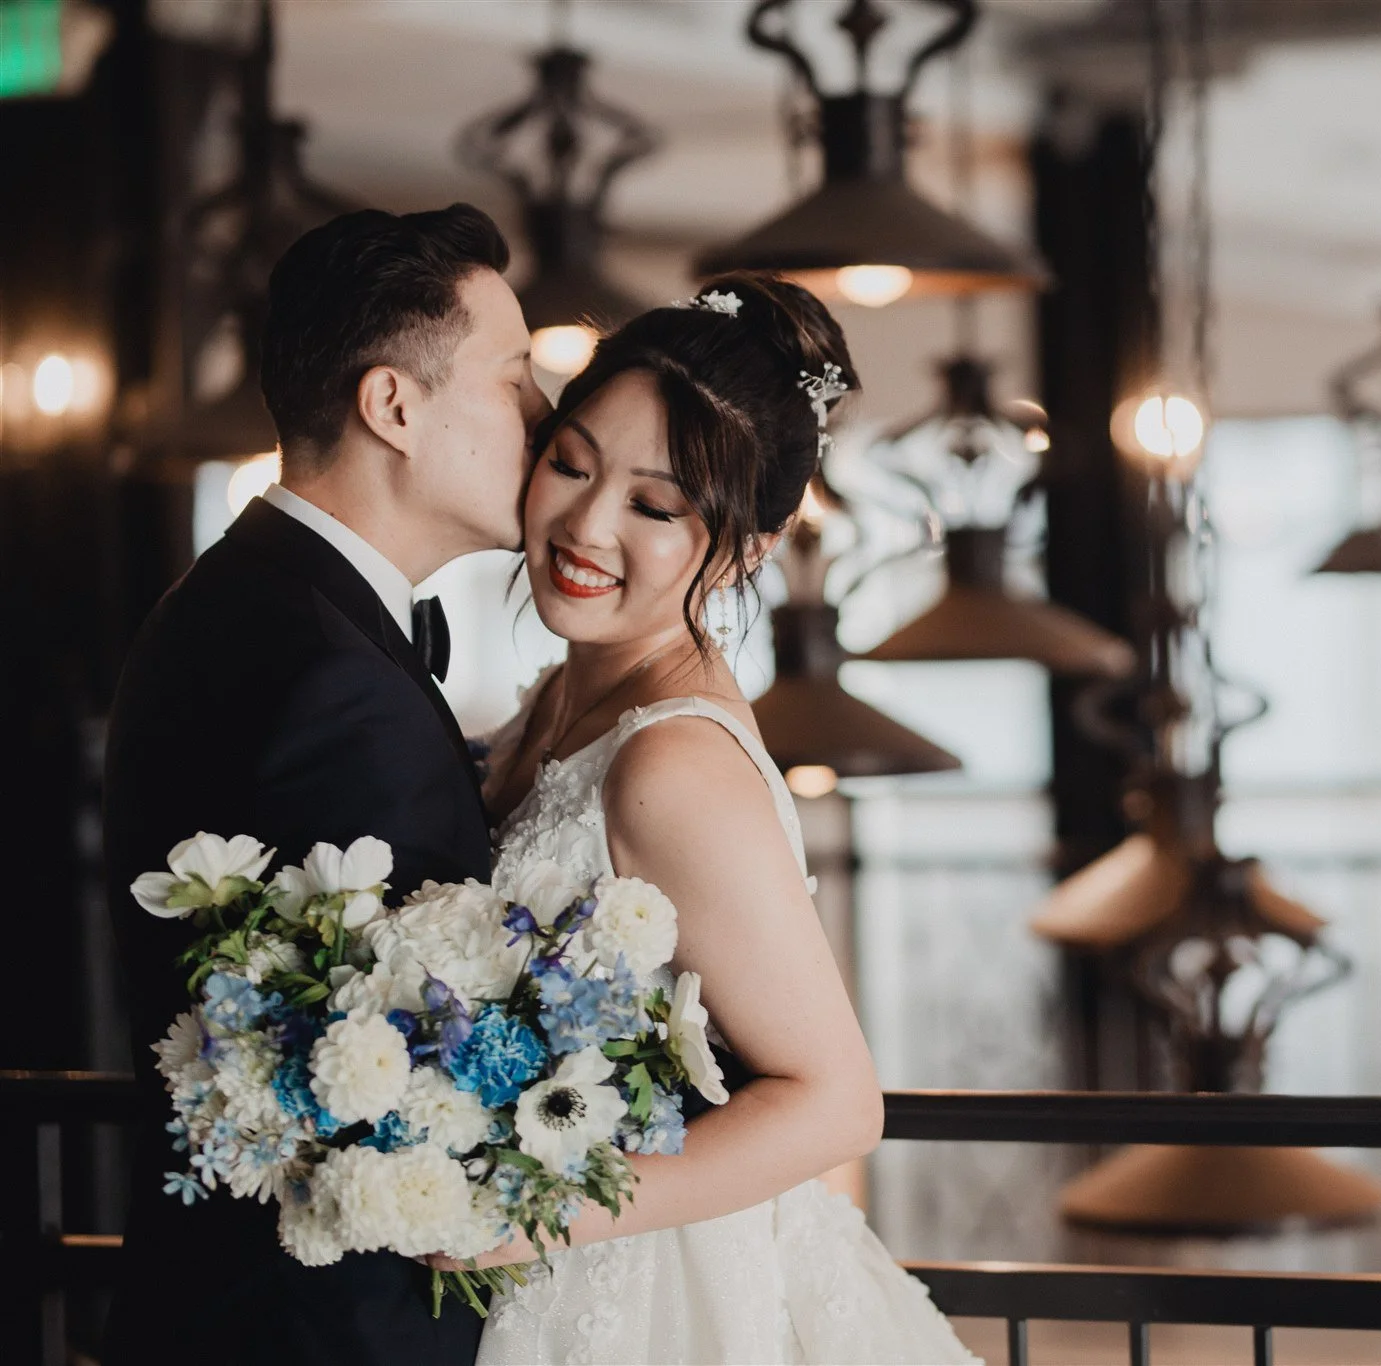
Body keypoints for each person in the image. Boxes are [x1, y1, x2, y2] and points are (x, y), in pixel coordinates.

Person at [456, 274, 978, 1365]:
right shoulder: (563, 696)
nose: (586, 524)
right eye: (571, 462)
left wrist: (526, 1212)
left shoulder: (670, 760)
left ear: (747, 545)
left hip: (652, 1293)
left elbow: (835, 1103)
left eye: (654, 507)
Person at [102, 204, 548, 1366]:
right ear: (393, 404)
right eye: (514, 380)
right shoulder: (326, 674)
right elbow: (383, 1071)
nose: (544, 420)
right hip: (321, 1327)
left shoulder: (254, 605)